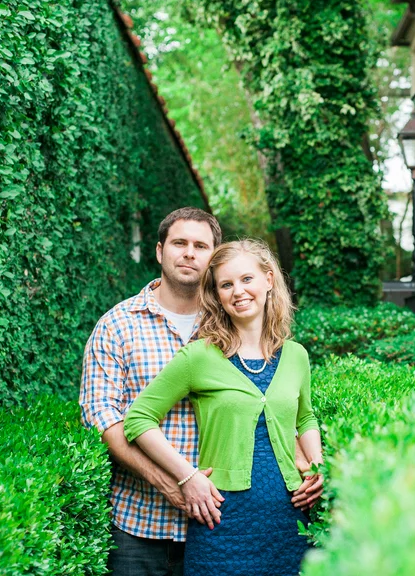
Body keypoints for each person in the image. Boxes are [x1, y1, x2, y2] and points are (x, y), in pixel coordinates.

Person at [123, 239, 324, 576]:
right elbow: (139, 419)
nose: (238, 291)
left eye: (247, 279)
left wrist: (317, 465)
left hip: (290, 517)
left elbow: (305, 417)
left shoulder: (296, 355)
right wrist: (186, 476)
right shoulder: (197, 356)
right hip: (221, 520)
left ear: (269, 281)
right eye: (226, 285)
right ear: (217, 295)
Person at [79, 207, 222, 576]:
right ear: (160, 251)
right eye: (179, 243)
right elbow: (102, 417)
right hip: (138, 527)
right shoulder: (116, 325)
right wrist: (170, 484)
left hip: (217, 525)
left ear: (213, 258)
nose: (189, 253)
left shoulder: (231, 328)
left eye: (200, 246)